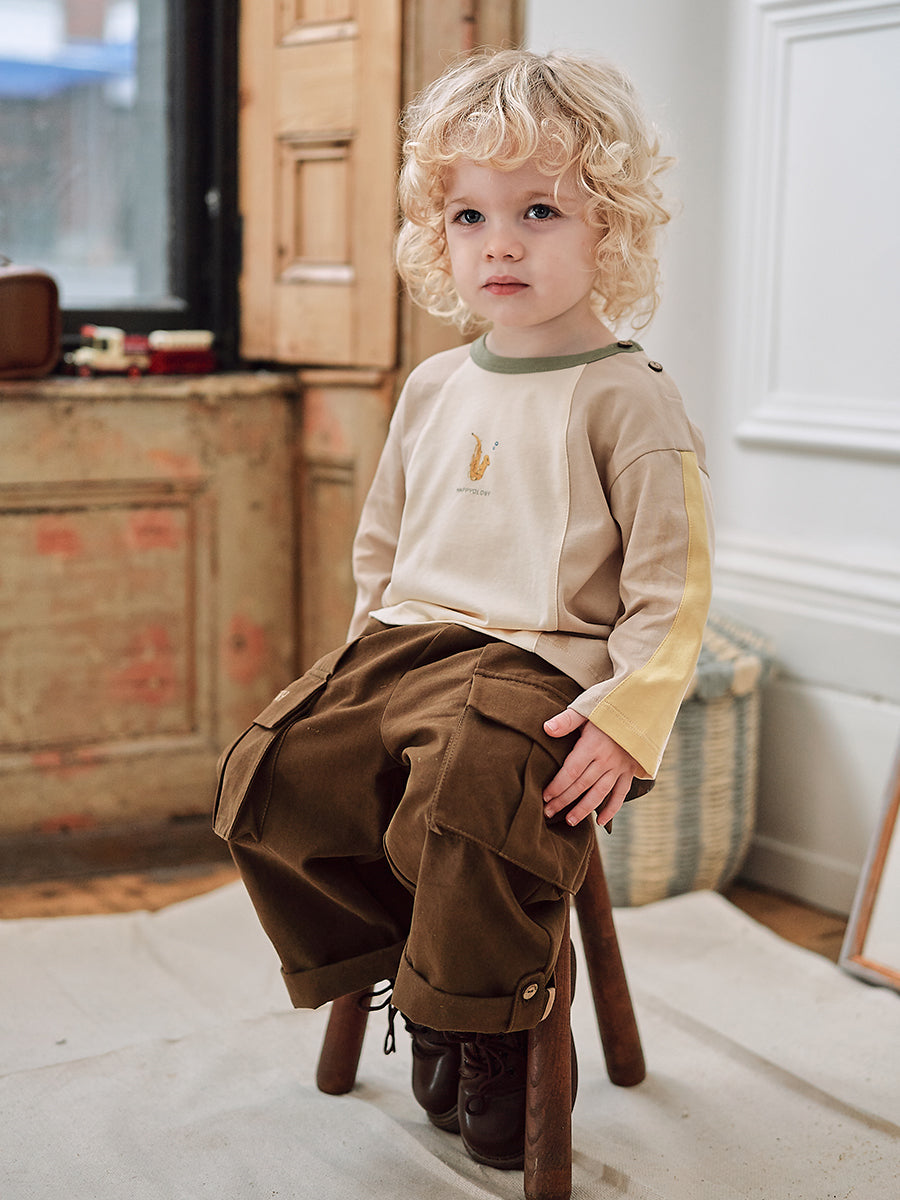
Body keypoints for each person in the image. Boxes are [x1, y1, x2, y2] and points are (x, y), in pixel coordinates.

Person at [215, 48, 713, 1171]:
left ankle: (482, 1024)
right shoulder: (434, 385)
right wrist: (351, 673)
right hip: (408, 646)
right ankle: (423, 976)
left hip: (545, 670)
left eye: (540, 210)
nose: (501, 243)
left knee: (468, 793)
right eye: (469, 215)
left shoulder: (629, 397)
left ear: (609, 228)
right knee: (273, 772)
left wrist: (628, 720)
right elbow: (382, 547)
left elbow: (674, 592)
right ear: (437, 233)